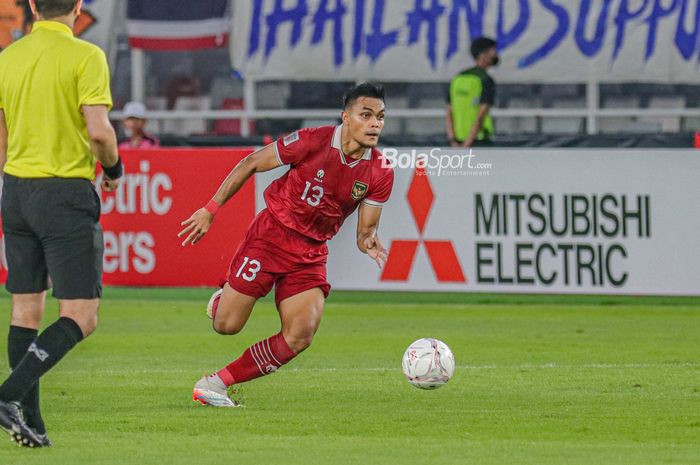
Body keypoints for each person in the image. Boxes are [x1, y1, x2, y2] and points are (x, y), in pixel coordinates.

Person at [178, 82, 393, 407]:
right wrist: (211, 209)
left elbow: (366, 230)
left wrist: (368, 242)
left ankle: (216, 384)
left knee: (300, 334)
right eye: (367, 115)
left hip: (311, 253)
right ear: (346, 117)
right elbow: (251, 162)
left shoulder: (381, 170)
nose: (375, 123)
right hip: (271, 237)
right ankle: (226, 298)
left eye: (380, 116)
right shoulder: (312, 140)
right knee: (226, 325)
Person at [0, 0, 122, 447]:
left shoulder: (8, 57)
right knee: (81, 316)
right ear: (78, 6)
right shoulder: (86, 56)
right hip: (64, 192)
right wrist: (113, 169)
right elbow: (100, 132)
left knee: (26, 309)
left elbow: (2, 134)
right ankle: (8, 396)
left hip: (15, 191)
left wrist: (15, 177)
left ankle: (31, 419)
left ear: (31, 6)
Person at [446, 36, 499, 148]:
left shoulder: (457, 78)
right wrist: (469, 142)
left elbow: (449, 112)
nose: (495, 55)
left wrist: (452, 139)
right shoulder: (485, 80)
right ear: (482, 55)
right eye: (492, 51)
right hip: (479, 139)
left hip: (457, 140)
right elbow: (482, 113)